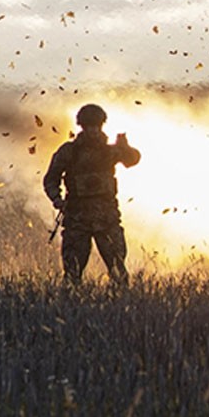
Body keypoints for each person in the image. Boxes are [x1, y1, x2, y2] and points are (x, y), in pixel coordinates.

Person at [43, 104, 141, 285]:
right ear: (82, 126)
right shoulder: (69, 151)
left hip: (107, 219)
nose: (94, 131)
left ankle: (120, 308)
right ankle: (72, 310)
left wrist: (125, 148)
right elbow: (51, 179)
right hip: (77, 219)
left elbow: (133, 159)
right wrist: (57, 200)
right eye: (89, 127)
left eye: (97, 126)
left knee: (118, 271)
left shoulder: (110, 151)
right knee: (72, 275)